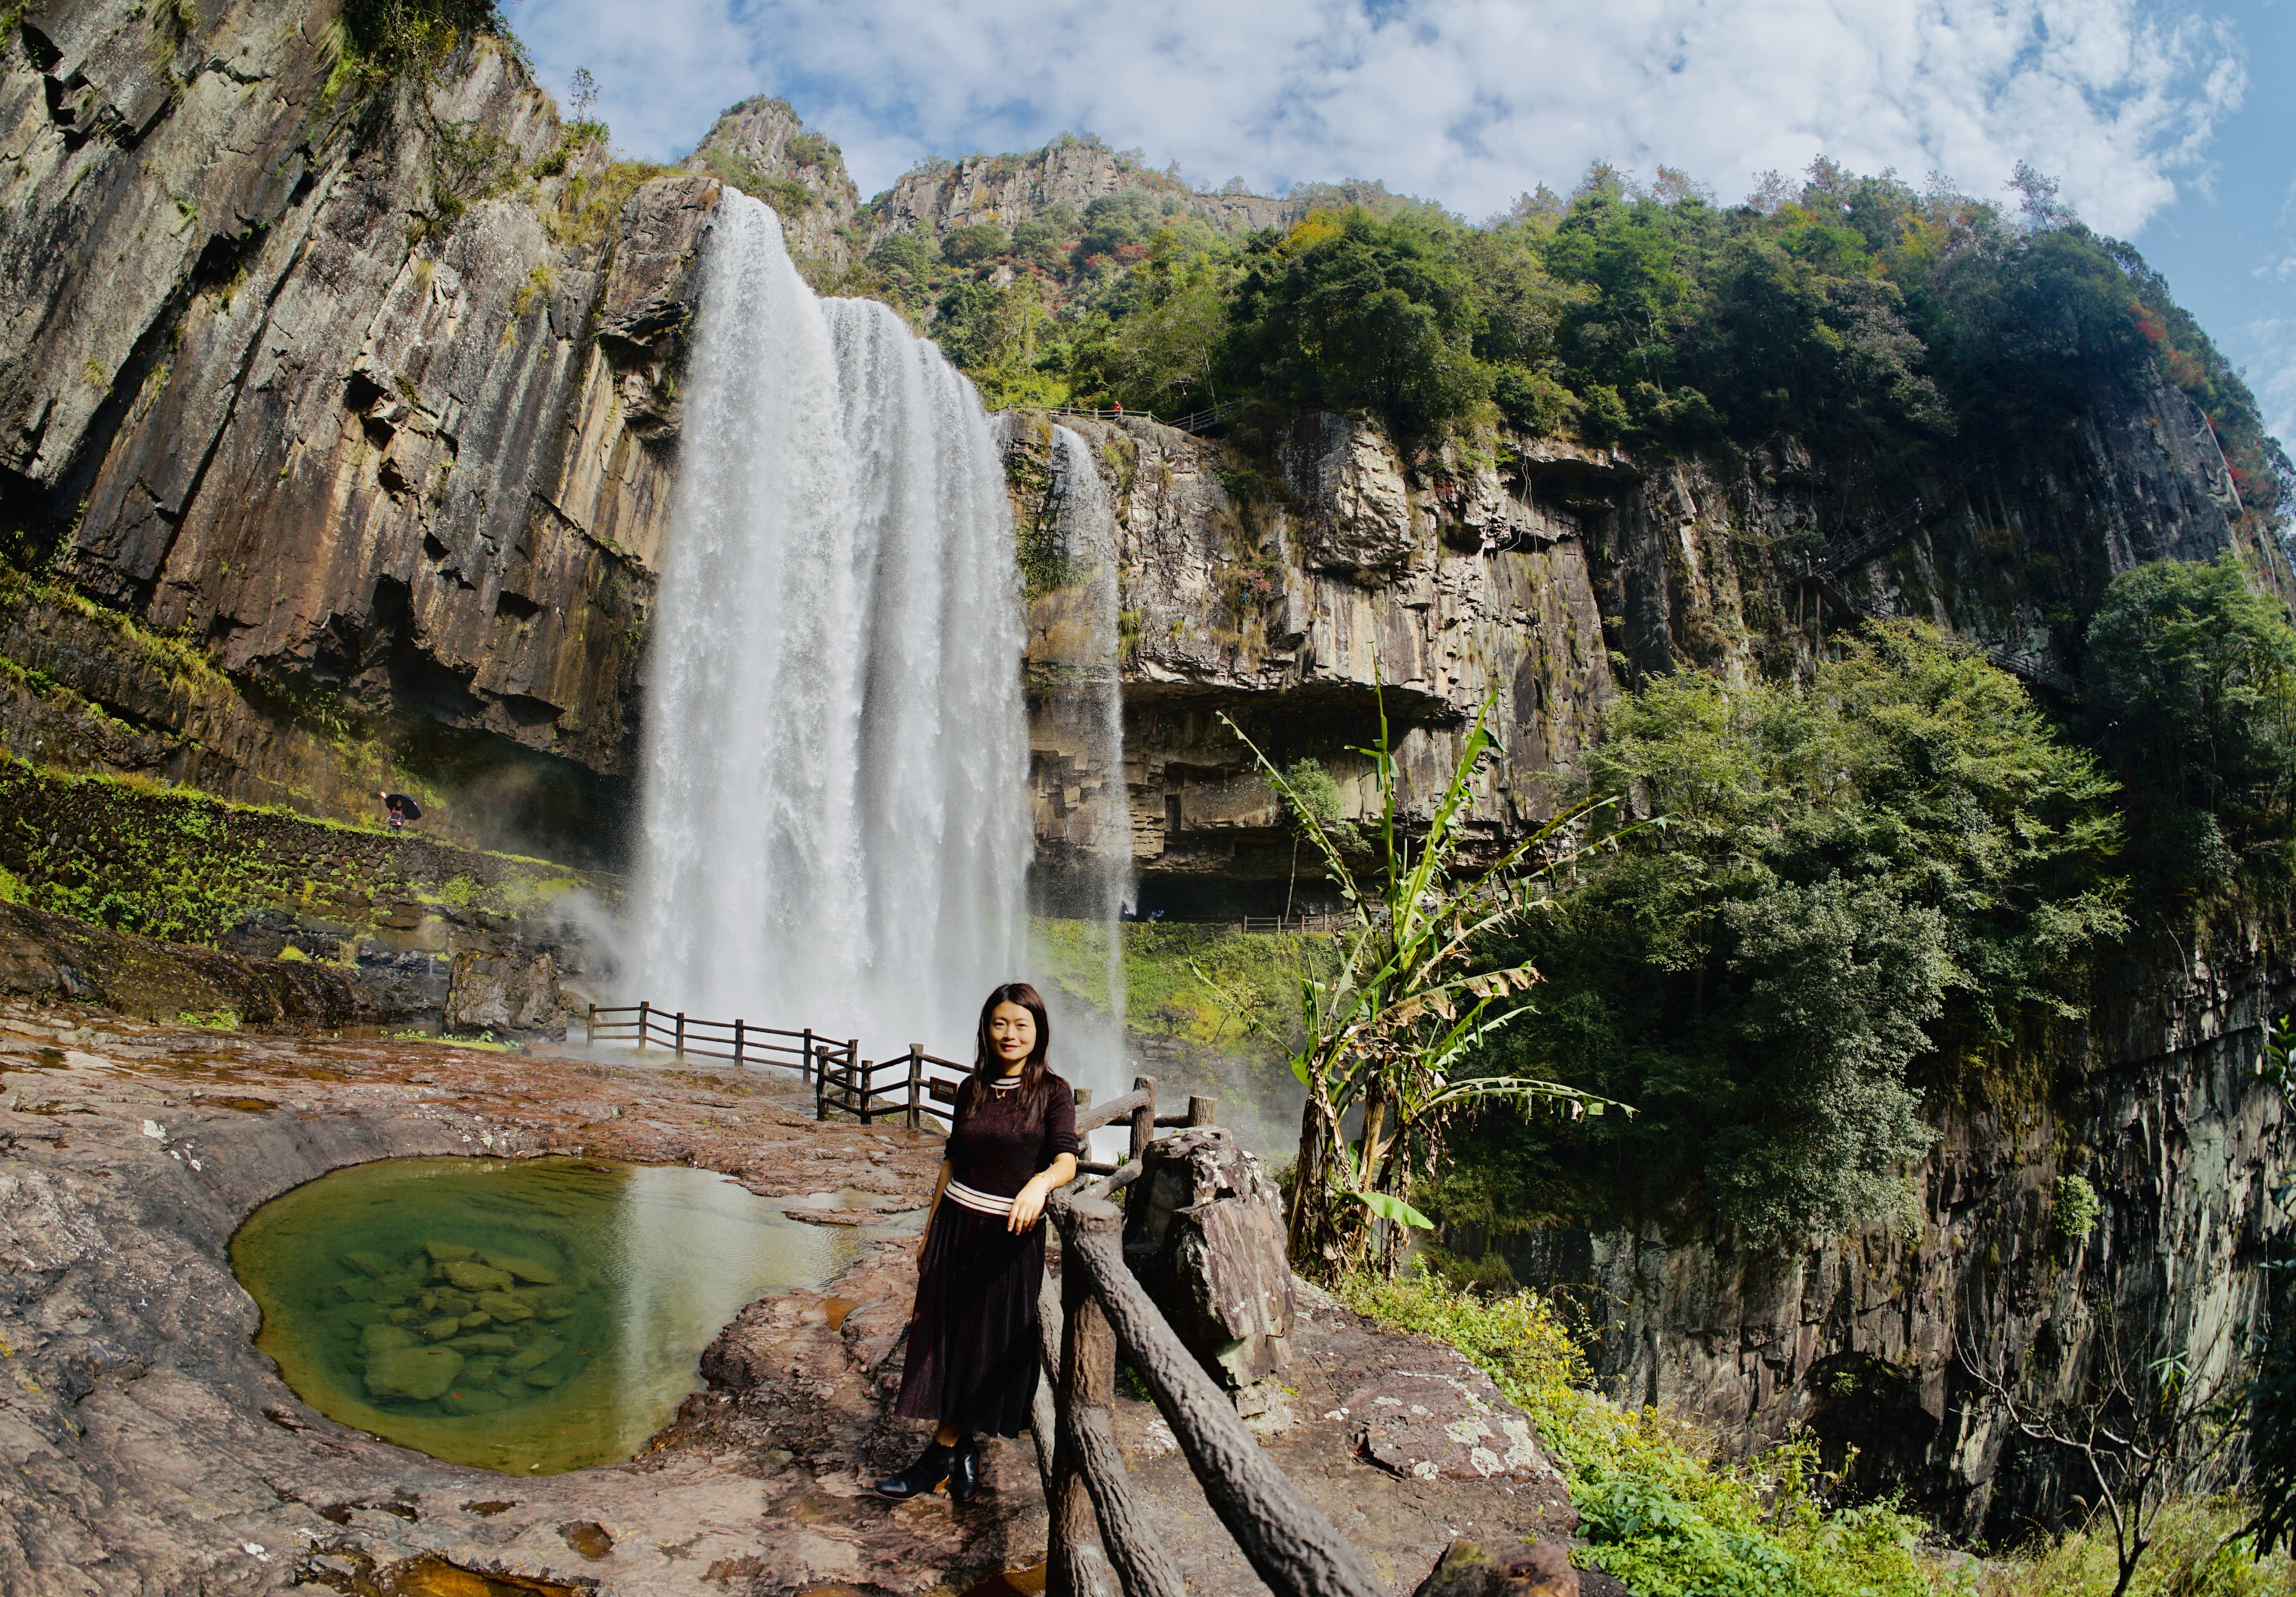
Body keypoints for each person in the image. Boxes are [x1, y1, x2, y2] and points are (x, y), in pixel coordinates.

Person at [876, 982, 1078, 1503]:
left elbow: (1066, 1158)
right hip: (955, 1228)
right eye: (999, 1024)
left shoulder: (1053, 1091)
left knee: (984, 1346)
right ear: (986, 1029)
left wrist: (1040, 1183)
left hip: (1008, 1240)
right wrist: (928, 1234)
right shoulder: (973, 1087)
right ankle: (959, 1449)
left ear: (1039, 1031)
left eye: (1021, 1025)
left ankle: (934, 1459)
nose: (1010, 1035)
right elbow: (951, 1160)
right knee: (950, 1342)